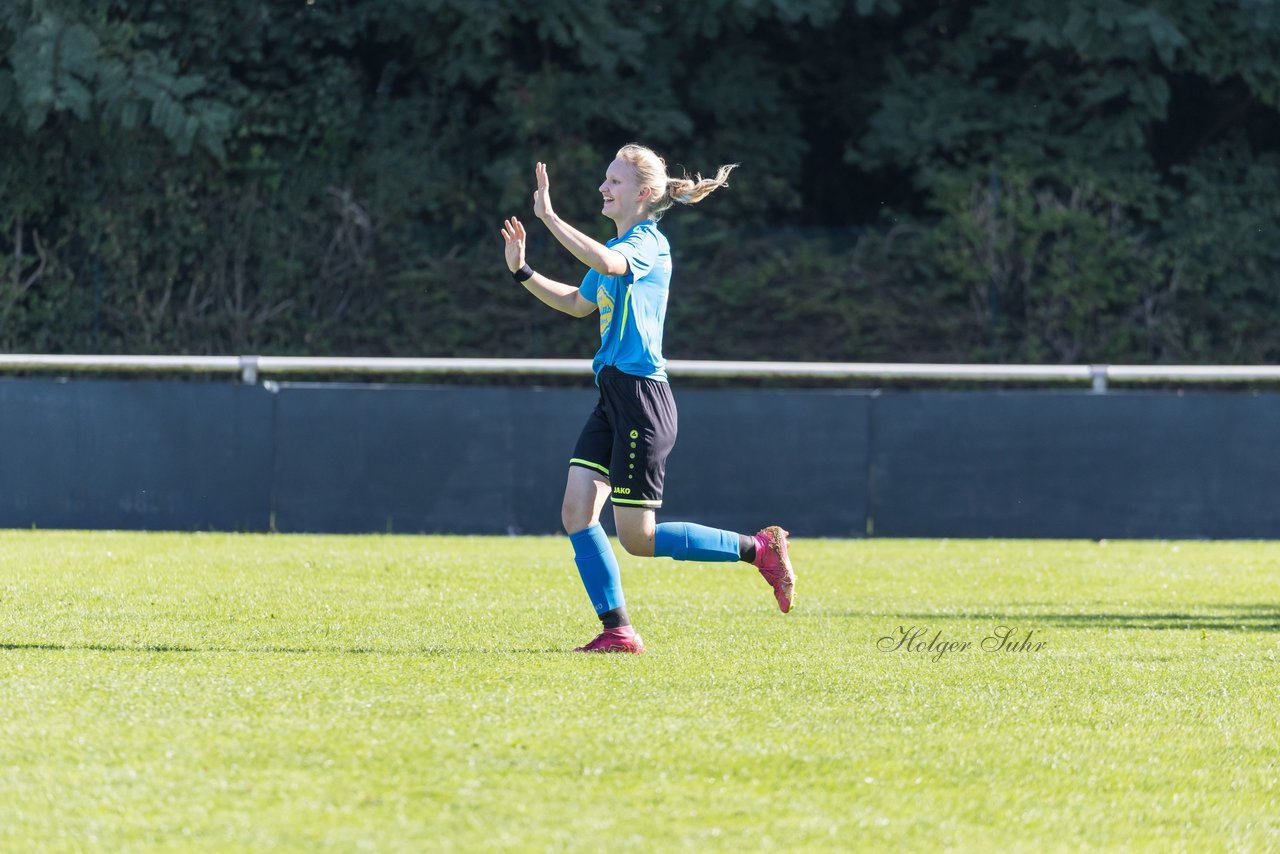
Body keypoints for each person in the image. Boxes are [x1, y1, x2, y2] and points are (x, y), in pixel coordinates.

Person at [500, 144, 795, 653]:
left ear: (646, 194)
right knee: (576, 512)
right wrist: (523, 271)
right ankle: (618, 631)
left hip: (641, 398)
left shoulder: (646, 244)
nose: (603, 187)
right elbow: (576, 303)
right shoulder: (622, 243)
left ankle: (758, 548)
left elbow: (611, 263)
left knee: (638, 538)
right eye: (606, 179)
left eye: (613, 181)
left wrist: (549, 217)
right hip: (613, 395)